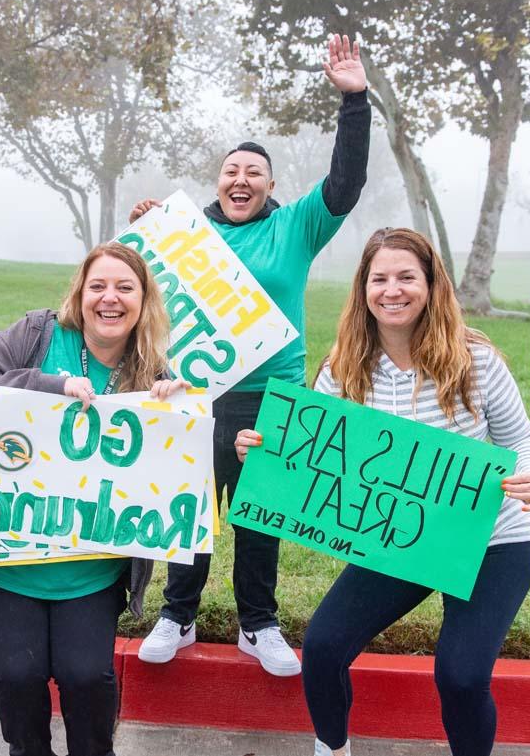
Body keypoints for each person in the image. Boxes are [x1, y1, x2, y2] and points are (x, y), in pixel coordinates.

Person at [233, 227, 530, 756]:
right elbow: (313, 451)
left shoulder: (476, 358)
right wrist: (262, 450)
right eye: (379, 278)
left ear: (431, 285)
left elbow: (522, 438)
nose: (392, 290)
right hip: (400, 542)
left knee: (462, 676)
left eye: (407, 277)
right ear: (363, 288)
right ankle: (332, 747)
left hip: (492, 542)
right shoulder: (344, 368)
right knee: (324, 647)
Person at [130, 33, 370, 676]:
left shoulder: (296, 226)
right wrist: (147, 229)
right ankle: (178, 615)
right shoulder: (187, 235)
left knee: (259, 519)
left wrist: (354, 103)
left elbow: (345, 184)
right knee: (188, 510)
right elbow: (135, 288)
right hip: (195, 395)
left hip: (272, 397)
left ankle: (257, 624)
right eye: (231, 171)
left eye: (253, 174)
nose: (241, 180)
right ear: (219, 181)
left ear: (269, 185)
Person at [0, 241, 188, 756]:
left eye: (125, 288)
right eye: (98, 286)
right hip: (8, 559)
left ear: (143, 300)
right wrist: (49, 385)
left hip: (91, 569)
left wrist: (180, 411)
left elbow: (174, 467)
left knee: (86, 679)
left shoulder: (152, 373)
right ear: (79, 293)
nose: (110, 298)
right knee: (18, 678)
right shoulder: (37, 335)